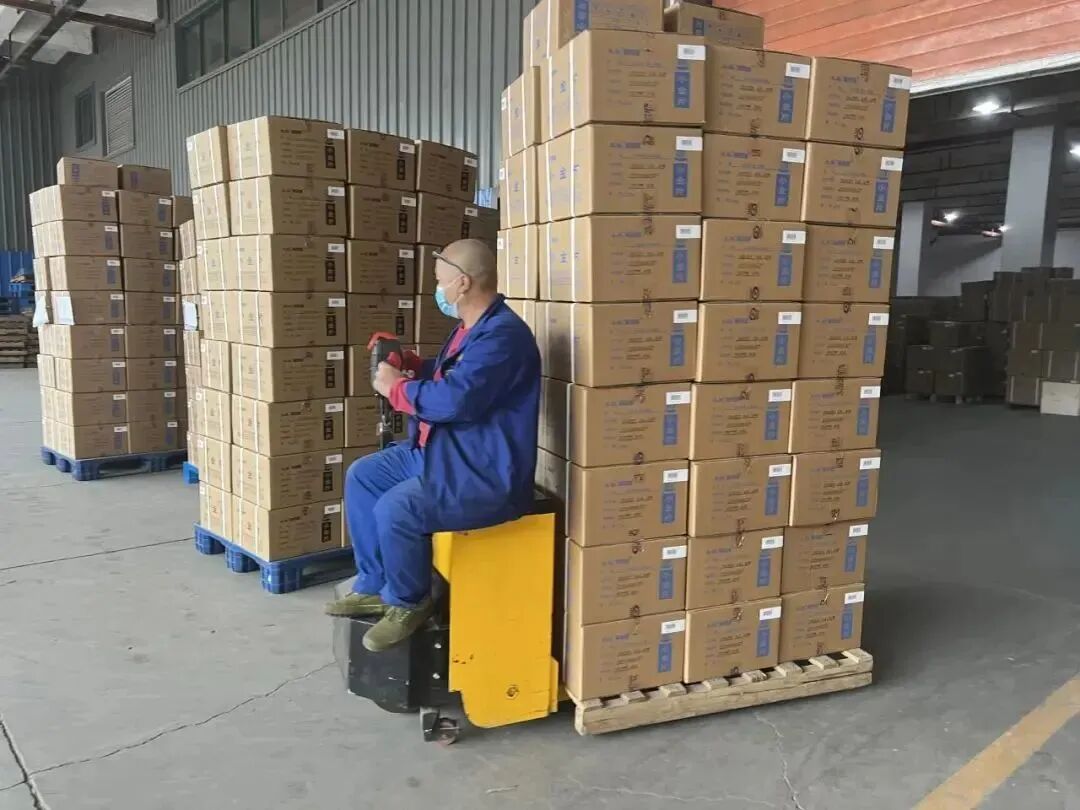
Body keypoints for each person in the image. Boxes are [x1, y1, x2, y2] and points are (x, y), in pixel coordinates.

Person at [325, 238, 541, 652]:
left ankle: (409, 602)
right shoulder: (472, 329)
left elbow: (457, 400)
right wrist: (412, 364)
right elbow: (451, 376)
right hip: (439, 453)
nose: (437, 290)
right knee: (363, 476)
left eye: (440, 282)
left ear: (462, 283)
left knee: (397, 509)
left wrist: (397, 388)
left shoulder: (503, 337)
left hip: (482, 473)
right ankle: (376, 584)